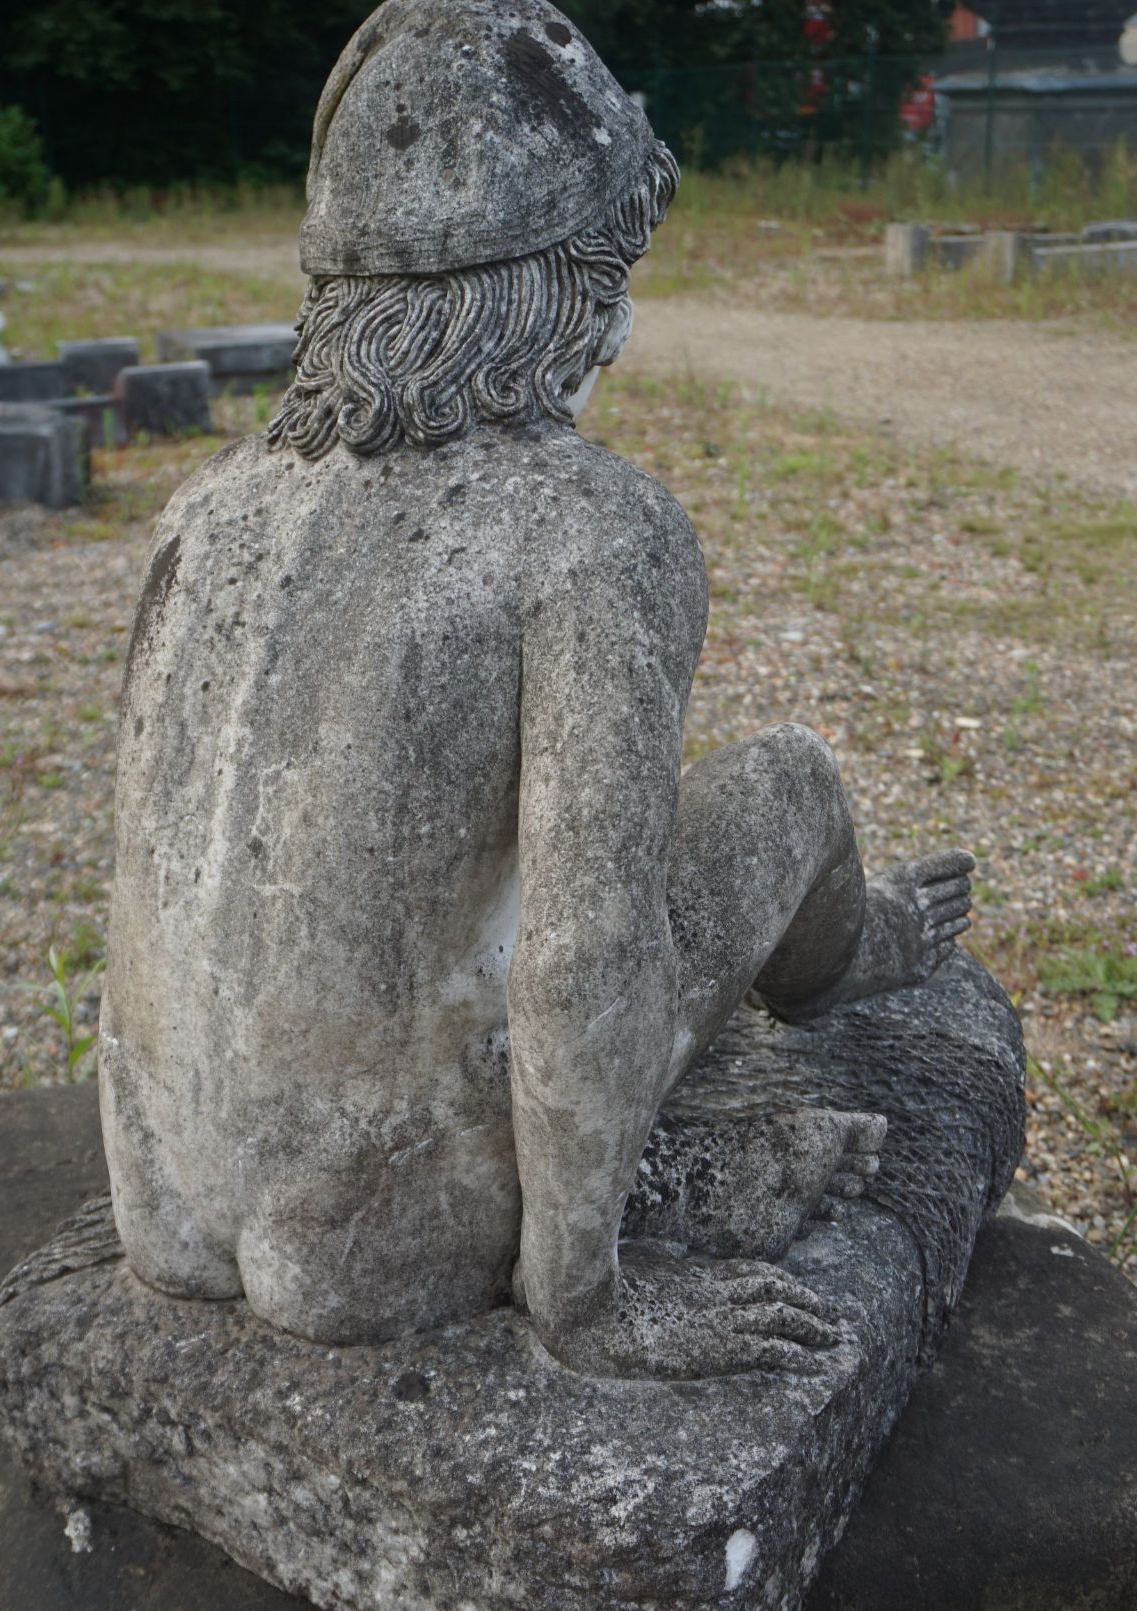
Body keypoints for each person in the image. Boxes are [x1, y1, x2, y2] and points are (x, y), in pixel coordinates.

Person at [100, 0, 973, 1379]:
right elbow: (584, 954)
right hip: (383, 1232)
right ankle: (852, 955)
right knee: (788, 781)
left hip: (165, 1190)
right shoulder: (586, 528)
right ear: (564, 287)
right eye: (613, 268)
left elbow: (157, 874)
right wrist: (585, 1303)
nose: (622, 325)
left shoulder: (205, 511)